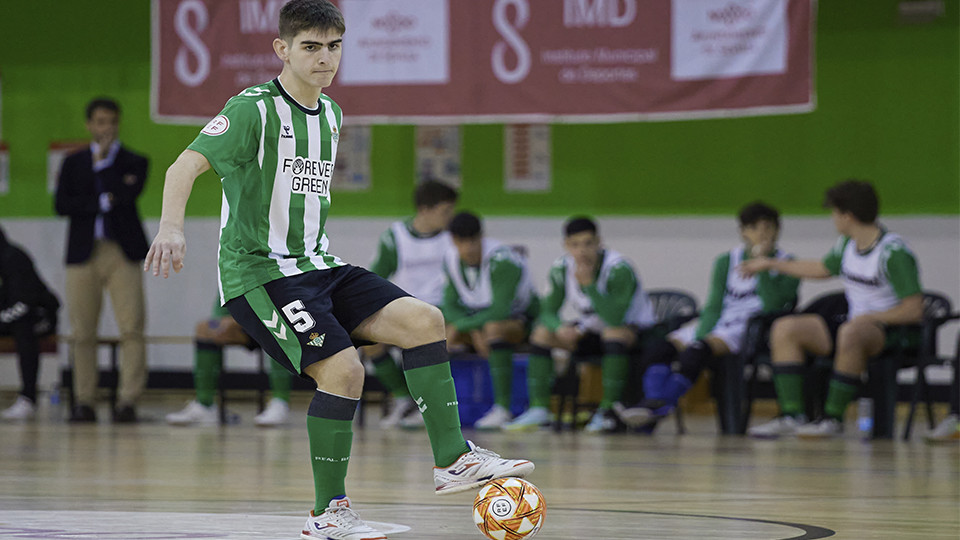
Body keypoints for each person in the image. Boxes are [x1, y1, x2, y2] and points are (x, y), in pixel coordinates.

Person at [143, 2, 533, 538]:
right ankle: (329, 512)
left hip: (321, 265)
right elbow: (183, 165)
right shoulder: (251, 109)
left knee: (424, 320)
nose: (325, 58)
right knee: (343, 372)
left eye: (334, 46)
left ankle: (452, 461)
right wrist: (171, 227)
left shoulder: (331, 114)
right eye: (310, 47)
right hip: (261, 275)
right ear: (282, 49)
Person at [742, 180, 923, 439]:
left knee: (851, 331)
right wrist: (770, 263)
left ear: (847, 216)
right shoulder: (846, 245)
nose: (832, 218)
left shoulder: (893, 252)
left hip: (893, 331)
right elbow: (821, 269)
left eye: (834, 213)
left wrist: (873, 317)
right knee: (786, 328)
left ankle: (832, 418)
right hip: (855, 324)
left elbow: (914, 309)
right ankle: (793, 414)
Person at [617, 202, 800, 428]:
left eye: (768, 227)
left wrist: (761, 268)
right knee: (659, 349)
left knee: (696, 352)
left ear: (777, 230)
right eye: (755, 228)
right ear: (743, 232)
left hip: (749, 326)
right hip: (717, 320)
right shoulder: (727, 261)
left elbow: (774, 304)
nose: (762, 234)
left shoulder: (789, 263)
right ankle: (654, 402)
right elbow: (714, 303)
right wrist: (703, 332)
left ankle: (658, 406)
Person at [505, 216, 656, 433]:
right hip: (592, 330)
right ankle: (539, 408)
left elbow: (615, 318)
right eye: (575, 245)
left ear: (599, 242)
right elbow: (547, 311)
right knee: (541, 334)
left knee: (614, 332)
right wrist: (559, 327)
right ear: (566, 245)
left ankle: (607, 410)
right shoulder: (561, 268)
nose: (582, 251)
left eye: (588, 243)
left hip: (635, 333)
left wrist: (590, 286)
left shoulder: (619, 268)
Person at [55, 97, 149, 424]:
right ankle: (84, 400)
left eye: (111, 121)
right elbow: (62, 205)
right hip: (83, 251)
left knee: (131, 327)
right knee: (82, 330)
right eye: (100, 122)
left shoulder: (134, 161)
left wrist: (105, 167)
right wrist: (101, 198)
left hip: (122, 251)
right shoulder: (73, 162)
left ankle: (127, 400)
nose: (105, 128)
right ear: (89, 125)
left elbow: (125, 197)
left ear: (117, 123)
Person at [365, 179, 457, 428]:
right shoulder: (395, 236)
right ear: (425, 209)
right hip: (404, 309)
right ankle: (404, 399)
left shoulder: (452, 237)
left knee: (440, 340)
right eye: (445, 211)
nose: (450, 217)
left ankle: (432, 406)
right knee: (369, 342)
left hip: (442, 311)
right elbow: (376, 277)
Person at [440, 211, 539, 430]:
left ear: (481, 237)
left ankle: (503, 408)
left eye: (473, 241)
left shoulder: (503, 260)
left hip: (520, 320)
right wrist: (472, 329)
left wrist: (465, 325)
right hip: (477, 320)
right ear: (453, 240)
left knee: (493, 328)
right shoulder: (450, 259)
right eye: (461, 242)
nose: (468, 248)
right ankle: (433, 408)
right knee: (434, 330)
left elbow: (500, 311)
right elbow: (449, 305)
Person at [166, 295, 294, 427]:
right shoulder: (229, 275)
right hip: (242, 325)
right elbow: (220, 312)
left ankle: (280, 402)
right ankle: (205, 405)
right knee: (205, 328)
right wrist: (227, 321)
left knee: (278, 327)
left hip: (273, 320)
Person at [0, 226, 60, 421]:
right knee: (19, 326)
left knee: (24, 330)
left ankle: (28, 398)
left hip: (40, 316)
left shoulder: (13, 258)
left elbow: (23, 304)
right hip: (9, 317)